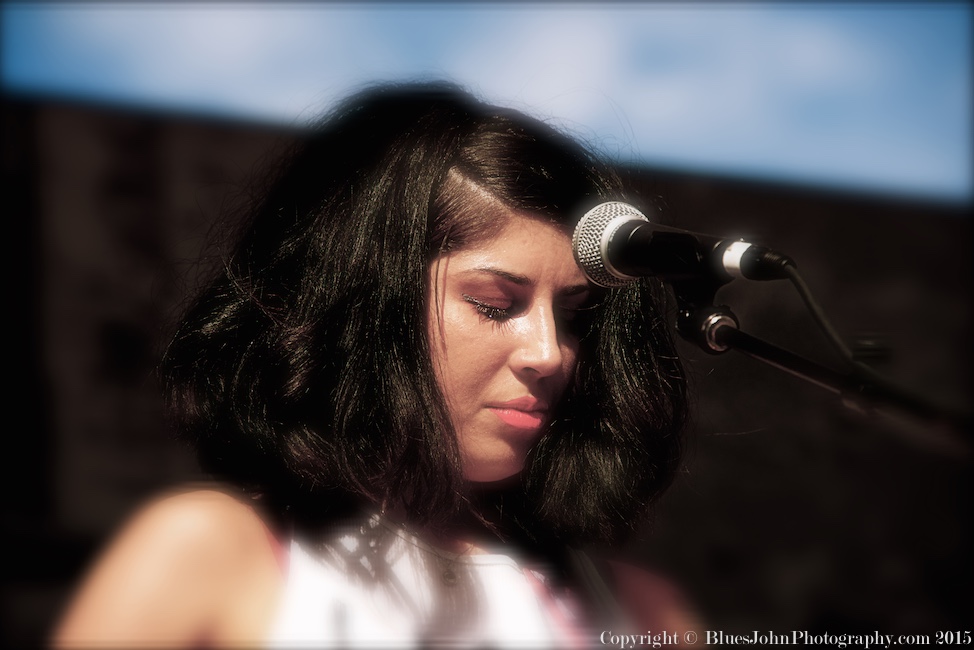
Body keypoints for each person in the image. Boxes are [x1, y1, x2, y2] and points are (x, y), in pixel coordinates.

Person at [52, 81, 697, 648]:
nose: (549, 352)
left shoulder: (640, 613)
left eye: (576, 317)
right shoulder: (207, 553)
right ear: (359, 306)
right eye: (495, 304)